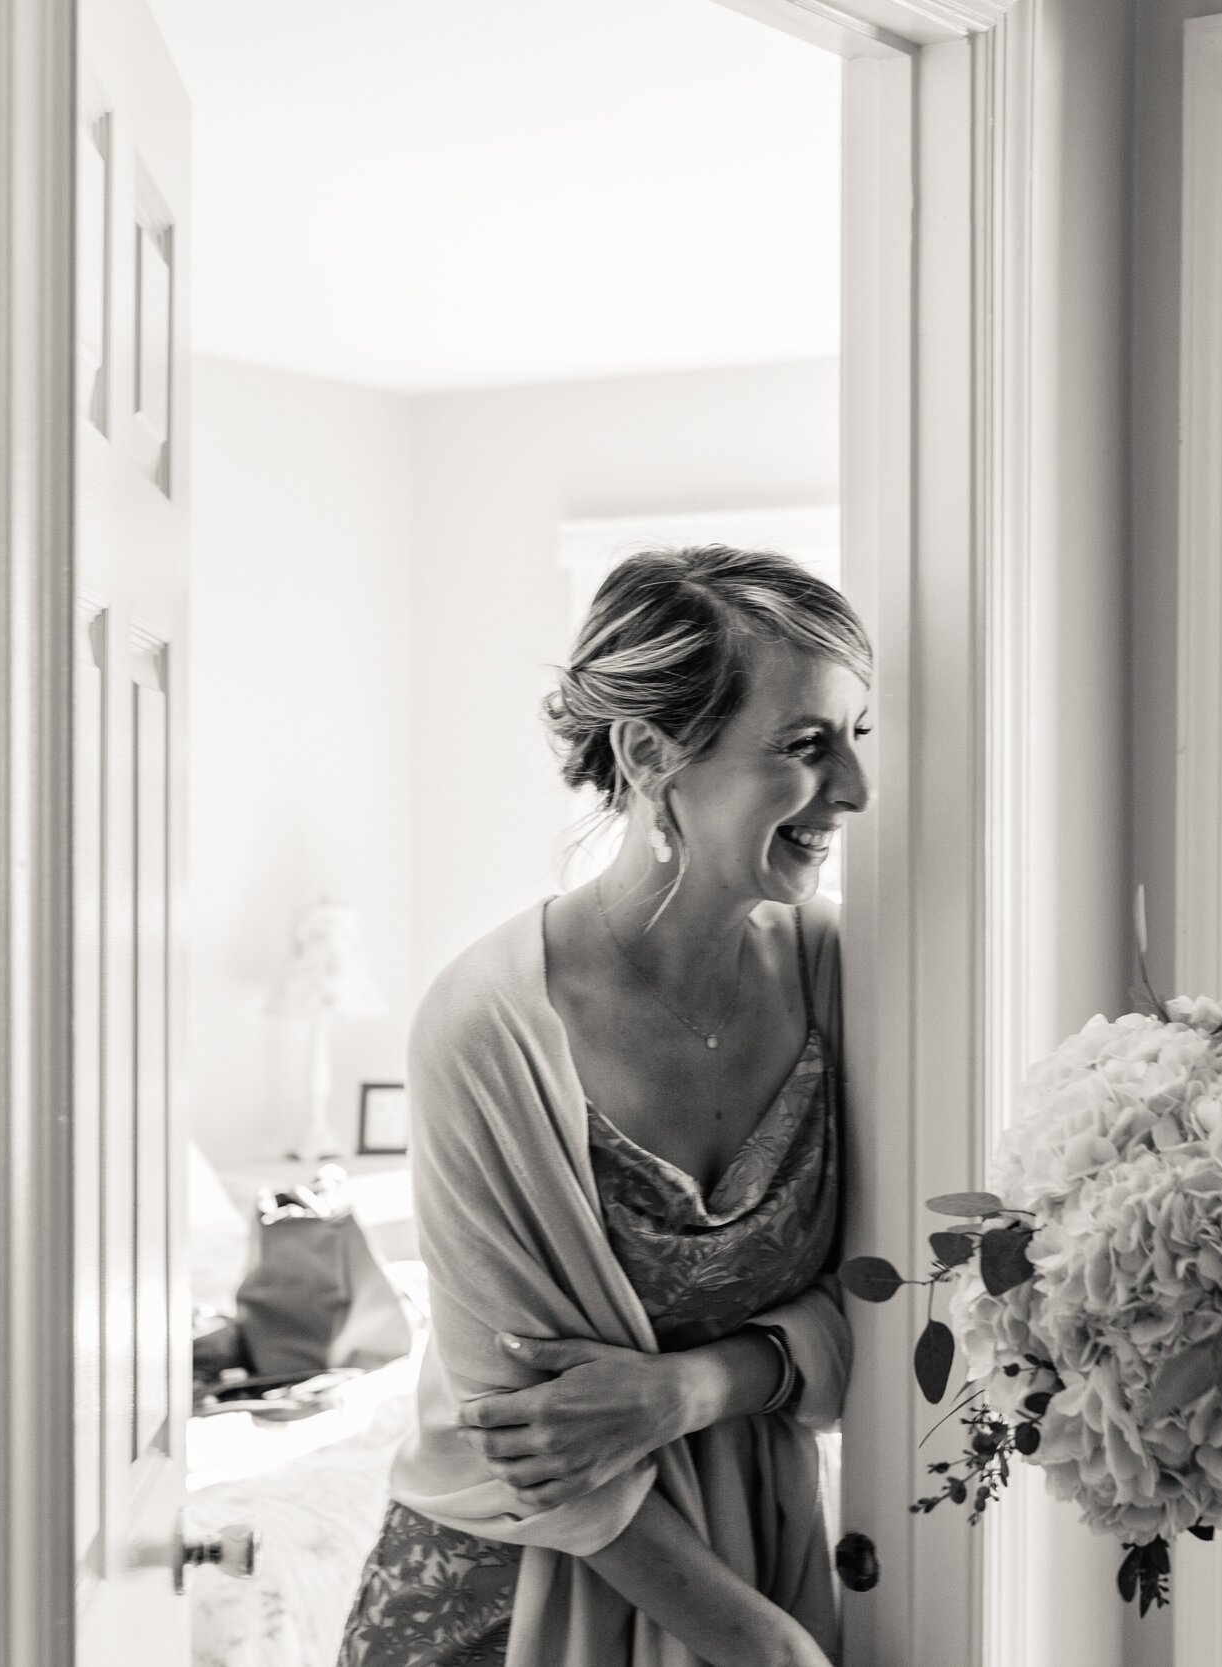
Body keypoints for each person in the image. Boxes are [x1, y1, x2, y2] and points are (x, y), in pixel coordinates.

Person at [340, 545, 871, 1667]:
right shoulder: (486, 1025)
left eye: (856, 737)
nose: (855, 790)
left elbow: (889, 1294)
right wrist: (767, 1648)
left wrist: (692, 1385)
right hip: (508, 1588)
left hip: (755, 1543)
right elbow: (521, 1426)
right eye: (804, 744)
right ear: (648, 751)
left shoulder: (840, 976)